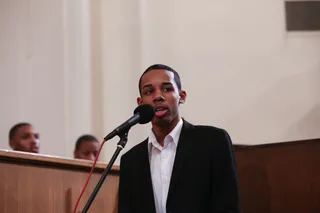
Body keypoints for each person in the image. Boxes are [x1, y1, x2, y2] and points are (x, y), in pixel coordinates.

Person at [118, 64, 240, 213]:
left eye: (166, 89)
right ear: (140, 103)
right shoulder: (130, 160)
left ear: (182, 96)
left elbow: (228, 205)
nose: (158, 97)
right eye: (149, 92)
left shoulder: (213, 142)